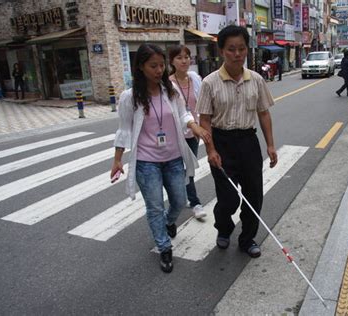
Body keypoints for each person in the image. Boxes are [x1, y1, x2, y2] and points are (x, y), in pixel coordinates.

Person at [111, 43, 211, 273]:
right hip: (147, 162)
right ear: (141, 67)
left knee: (178, 200)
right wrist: (117, 160)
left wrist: (193, 125)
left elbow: (183, 112)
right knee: (154, 206)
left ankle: (168, 222)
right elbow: (124, 130)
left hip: (174, 157)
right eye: (153, 66)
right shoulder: (130, 97)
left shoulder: (170, 90)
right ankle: (164, 246)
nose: (158, 70)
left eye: (161, 65)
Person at [196, 25, 278, 259]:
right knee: (228, 198)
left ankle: (247, 239)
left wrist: (270, 145)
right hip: (222, 143)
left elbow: (263, 113)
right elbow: (205, 119)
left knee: (254, 195)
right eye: (231, 49)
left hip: (248, 142)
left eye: (241, 48)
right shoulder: (210, 83)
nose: (237, 54)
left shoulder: (257, 80)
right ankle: (224, 228)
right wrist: (210, 149)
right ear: (221, 51)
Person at [168, 45, 207, 220]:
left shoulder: (195, 79)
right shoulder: (168, 84)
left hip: (193, 133)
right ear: (171, 61)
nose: (184, 61)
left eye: (186, 57)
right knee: (178, 170)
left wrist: (200, 126)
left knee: (189, 168)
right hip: (175, 135)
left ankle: (188, 200)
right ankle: (192, 201)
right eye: (179, 58)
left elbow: (202, 104)